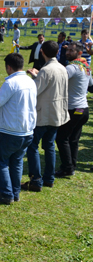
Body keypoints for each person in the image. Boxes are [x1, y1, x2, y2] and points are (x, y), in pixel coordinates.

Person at [23, 41, 69, 192]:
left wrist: (34, 78)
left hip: (43, 114)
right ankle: (49, 178)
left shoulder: (46, 70)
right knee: (49, 146)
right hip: (56, 114)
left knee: (32, 145)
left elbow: (34, 90)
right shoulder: (63, 68)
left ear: (42, 52)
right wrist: (38, 76)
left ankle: (36, 179)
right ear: (58, 52)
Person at [0, 53, 36, 204]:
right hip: (27, 130)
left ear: (9, 67)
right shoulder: (30, 82)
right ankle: (15, 192)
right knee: (17, 161)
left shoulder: (11, 83)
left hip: (11, 131)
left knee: (0, 161)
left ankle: (6, 193)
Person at [55, 42, 92, 177]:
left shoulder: (73, 67)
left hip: (73, 110)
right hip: (83, 110)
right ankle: (72, 165)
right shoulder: (86, 67)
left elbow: (57, 79)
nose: (67, 52)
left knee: (61, 138)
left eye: (71, 50)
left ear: (80, 53)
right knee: (73, 139)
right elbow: (91, 85)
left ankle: (67, 168)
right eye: (67, 50)